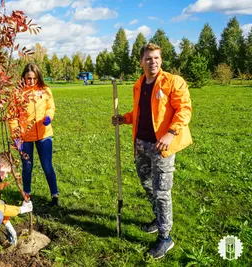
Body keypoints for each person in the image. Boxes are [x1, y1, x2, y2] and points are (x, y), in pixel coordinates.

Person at [112, 43, 192, 259]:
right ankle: (159, 218)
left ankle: (166, 237)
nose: (153, 62)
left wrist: (171, 133)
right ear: (141, 62)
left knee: (162, 192)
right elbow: (142, 113)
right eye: (148, 58)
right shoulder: (139, 84)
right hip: (141, 144)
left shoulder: (173, 82)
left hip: (162, 146)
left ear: (161, 60)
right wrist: (125, 118)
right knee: (147, 184)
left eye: (156, 58)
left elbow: (184, 110)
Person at [8, 63, 59, 207]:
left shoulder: (45, 90)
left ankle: (55, 195)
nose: (31, 81)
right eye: (28, 78)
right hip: (25, 137)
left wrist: (48, 117)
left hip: (44, 134)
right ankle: (27, 196)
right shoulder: (17, 93)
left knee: (47, 166)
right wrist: (16, 136)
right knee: (27, 166)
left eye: (34, 78)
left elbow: (50, 107)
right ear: (23, 77)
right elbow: (12, 116)